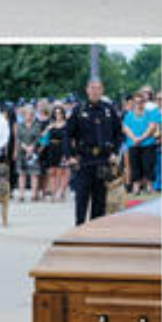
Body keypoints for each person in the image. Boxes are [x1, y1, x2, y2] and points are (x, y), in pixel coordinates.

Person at [65, 79, 123, 225]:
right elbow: (67, 134)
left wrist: (115, 152)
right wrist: (70, 155)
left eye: (98, 88)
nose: (95, 91)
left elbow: (118, 133)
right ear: (87, 90)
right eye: (92, 88)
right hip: (84, 159)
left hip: (103, 160)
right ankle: (79, 229)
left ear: (102, 91)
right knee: (82, 198)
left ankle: (96, 230)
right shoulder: (79, 110)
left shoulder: (109, 110)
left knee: (100, 200)